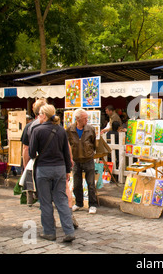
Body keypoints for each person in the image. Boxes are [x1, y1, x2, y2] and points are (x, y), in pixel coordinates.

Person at [29, 104, 75, 242]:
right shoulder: (61, 130)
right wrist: (68, 170)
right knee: (61, 200)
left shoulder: (37, 130)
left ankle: (49, 232)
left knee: (45, 201)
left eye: (39, 114)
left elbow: (32, 153)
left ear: (43, 115)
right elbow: (66, 153)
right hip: (60, 168)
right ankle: (69, 231)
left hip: (43, 168)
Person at [66, 108, 98, 214]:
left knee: (91, 183)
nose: (86, 120)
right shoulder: (70, 130)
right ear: (77, 119)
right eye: (84, 118)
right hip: (75, 160)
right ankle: (79, 202)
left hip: (88, 159)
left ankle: (92, 204)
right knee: (77, 182)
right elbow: (67, 144)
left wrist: (89, 152)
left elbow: (94, 143)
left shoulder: (90, 129)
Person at [21, 98, 47, 205]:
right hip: (48, 159)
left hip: (34, 158)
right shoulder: (53, 125)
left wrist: (25, 164)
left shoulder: (29, 126)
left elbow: (25, 148)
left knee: (33, 178)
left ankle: (31, 198)